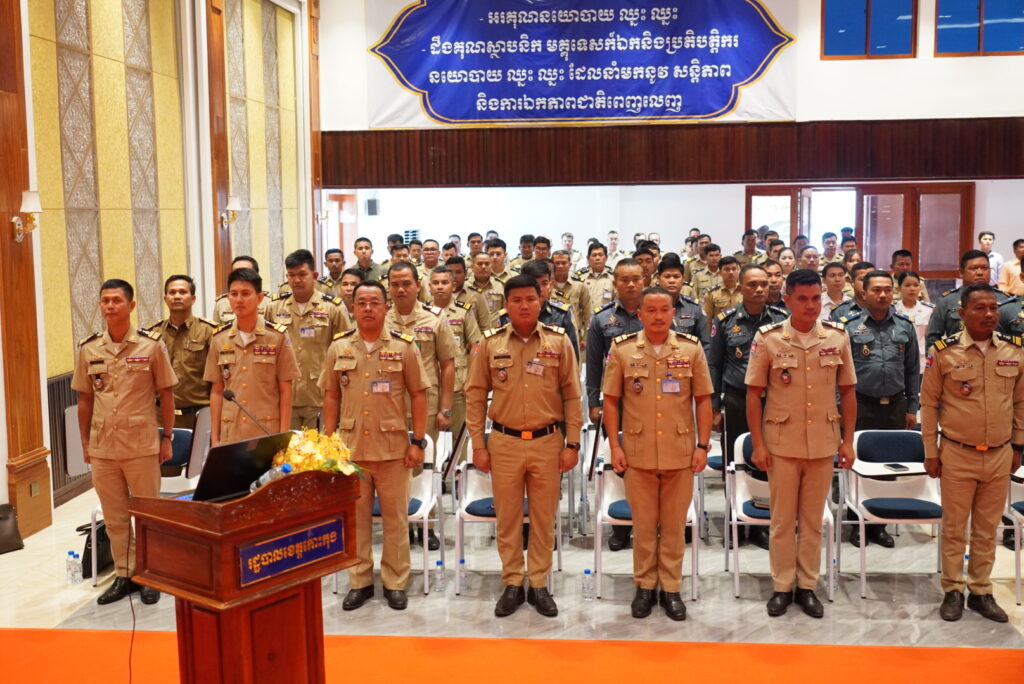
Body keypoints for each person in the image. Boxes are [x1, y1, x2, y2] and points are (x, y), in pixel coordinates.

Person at [465, 274, 582, 618]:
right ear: (506, 304)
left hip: (548, 442)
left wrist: (573, 443)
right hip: (504, 442)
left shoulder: (559, 342)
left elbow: (572, 395)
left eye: (530, 299)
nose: (524, 305)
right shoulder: (490, 343)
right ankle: (513, 581)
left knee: (544, 518)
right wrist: (478, 444)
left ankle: (540, 582)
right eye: (516, 300)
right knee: (508, 518)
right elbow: (475, 395)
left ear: (540, 300)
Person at [745, 269, 857, 619]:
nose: (811, 306)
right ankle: (782, 585)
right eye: (803, 299)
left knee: (812, 521)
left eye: (815, 298)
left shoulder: (837, 337)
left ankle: (807, 586)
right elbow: (753, 394)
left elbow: (848, 392)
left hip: (823, 443)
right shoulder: (769, 339)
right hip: (782, 444)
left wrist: (848, 441)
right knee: (781, 521)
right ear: (787, 300)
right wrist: (758, 445)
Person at [602, 287, 712, 621]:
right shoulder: (622, 349)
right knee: (645, 527)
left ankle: (672, 588)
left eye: (665, 309)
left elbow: (703, 399)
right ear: (640, 314)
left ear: (674, 312)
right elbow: (611, 401)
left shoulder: (690, 349)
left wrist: (703, 446)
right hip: (638, 453)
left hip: (680, 452)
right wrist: (615, 446)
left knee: (675, 528)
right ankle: (645, 587)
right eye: (651, 310)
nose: (659, 316)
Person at [320, 280, 429, 612]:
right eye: (361, 303)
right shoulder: (339, 347)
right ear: (352, 308)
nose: (368, 308)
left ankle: (395, 582)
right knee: (355, 521)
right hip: (351, 451)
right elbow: (331, 396)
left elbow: (419, 394)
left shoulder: (404, 346)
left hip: (393, 450)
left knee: (396, 521)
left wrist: (418, 441)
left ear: (386, 307)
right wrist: (329, 442)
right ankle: (360, 582)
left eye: (374, 302)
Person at [921, 282, 1024, 622]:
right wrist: (930, 451)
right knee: (954, 528)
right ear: (962, 313)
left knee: (987, 529)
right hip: (957, 453)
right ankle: (953, 589)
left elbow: (1021, 402)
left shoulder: (1014, 351)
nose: (989, 314)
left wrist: (1018, 445)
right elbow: (929, 403)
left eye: (993, 308)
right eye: (980, 308)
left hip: (999, 453)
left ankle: (981, 591)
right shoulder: (944, 352)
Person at [72, 279, 177, 605]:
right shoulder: (89, 349)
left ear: (131, 305)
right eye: (105, 300)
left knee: (148, 514)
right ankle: (124, 574)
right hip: (104, 447)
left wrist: (168, 437)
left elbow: (166, 394)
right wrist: (85, 443)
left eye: (116, 300)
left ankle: (150, 574)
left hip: (141, 445)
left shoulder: (151, 346)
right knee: (115, 516)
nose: (109, 306)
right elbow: (85, 399)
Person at [707, 264, 787, 549]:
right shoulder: (726, 321)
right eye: (752, 284)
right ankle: (735, 520)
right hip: (737, 400)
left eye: (764, 284)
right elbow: (714, 365)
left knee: (768, 464)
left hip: (773, 402)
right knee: (735, 462)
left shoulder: (782, 319)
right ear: (740, 288)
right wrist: (714, 406)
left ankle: (761, 524)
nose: (760, 289)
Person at [840, 270, 921, 548]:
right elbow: (838, 371)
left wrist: (912, 406)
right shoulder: (849, 326)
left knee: (888, 466)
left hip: (895, 406)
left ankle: (879, 524)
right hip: (860, 404)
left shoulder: (904, 326)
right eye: (877, 290)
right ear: (864, 293)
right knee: (857, 466)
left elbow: (912, 370)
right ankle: (856, 523)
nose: (883, 295)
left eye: (887, 289)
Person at [587, 259, 646, 551]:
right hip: (615, 402)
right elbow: (593, 364)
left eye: (636, 279)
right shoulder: (602, 319)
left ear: (644, 280)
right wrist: (593, 402)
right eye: (624, 279)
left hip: (651, 401)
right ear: (615, 283)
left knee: (651, 462)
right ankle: (622, 527)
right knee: (620, 462)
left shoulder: (656, 313)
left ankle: (651, 521)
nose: (631, 284)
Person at [204, 268, 300, 445]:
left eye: (245, 293)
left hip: (265, 431)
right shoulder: (219, 338)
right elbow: (217, 391)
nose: (239, 299)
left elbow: (285, 390)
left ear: (259, 298)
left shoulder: (276, 336)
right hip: (231, 433)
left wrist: (283, 437)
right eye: (234, 294)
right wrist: (215, 438)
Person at [265, 250, 351, 430]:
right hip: (285, 395)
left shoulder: (332, 308)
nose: (296, 280)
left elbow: (345, 353)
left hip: (320, 396)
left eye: (302, 274)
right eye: (291, 275)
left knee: (320, 447)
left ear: (315, 276)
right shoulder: (274, 308)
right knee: (286, 446)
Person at [385, 262, 456, 456]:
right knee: (392, 463)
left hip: (426, 406)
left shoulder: (435, 318)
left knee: (423, 463)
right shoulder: (382, 319)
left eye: (406, 284)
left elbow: (448, 365)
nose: (400, 289)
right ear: (388, 287)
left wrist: (445, 409)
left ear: (418, 285)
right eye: (395, 284)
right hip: (389, 407)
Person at [145, 275, 214, 439]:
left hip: (198, 416)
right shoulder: (152, 333)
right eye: (172, 292)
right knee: (165, 456)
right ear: (165, 299)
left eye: (183, 292)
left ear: (193, 298)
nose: (177, 296)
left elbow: (218, 379)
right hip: (161, 415)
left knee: (200, 457)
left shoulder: (209, 331)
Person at [428, 265, 482, 467]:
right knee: (428, 438)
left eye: (444, 282)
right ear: (429, 286)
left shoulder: (464, 312)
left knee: (461, 437)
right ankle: (430, 478)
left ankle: (460, 476)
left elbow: (476, 346)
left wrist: (471, 379)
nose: (440, 287)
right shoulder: (423, 313)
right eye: (435, 283)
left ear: (453, 285)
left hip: (458, 385)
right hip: (431, 385)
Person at [926, 249, 1011, 349]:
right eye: (973, 268)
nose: (980, 272)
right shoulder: (947, 301)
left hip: (997, 356)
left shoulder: (1005, 300)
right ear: (961, 272)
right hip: (958, 356)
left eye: (984, 268)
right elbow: (933, 337)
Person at [501, 259, 580, 357]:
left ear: (551, 285)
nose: (541, 289)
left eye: (545, 283)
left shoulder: (562, 314)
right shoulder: (507, 315)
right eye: (535, 284)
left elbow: (572, 354)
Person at [656, 254, 710, 347]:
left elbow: (705, 344)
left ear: (683, 279)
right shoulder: (648, 307)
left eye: (676, 276)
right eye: (667, 276)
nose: (672, 280)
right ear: (658, 279)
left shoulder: (694, 307)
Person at [895, 270, 934, 372]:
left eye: (916, 285)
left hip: (922, 359)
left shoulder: (928, 310)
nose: (912, 289)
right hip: (898, 358)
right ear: (899, 287)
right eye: (907, 285)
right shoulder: (893, 309)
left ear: (920, 287)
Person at [213, 255, 268, 324]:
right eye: (236, 272)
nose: (240, 276)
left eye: (245, 272)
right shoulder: (222, 303)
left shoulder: (269, 303)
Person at [552, 250, 591, 336]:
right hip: (551, 334)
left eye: (564, 263)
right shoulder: (546, 285)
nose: (560, 266)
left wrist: (586, 337)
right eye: (557, 263)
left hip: (574, 334)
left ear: (570, 265)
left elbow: (587, 314)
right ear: (552, 265)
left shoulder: (579, 285)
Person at [467, 252, 506, 328]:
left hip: (495, 331)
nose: (483, 267)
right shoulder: (464, 286)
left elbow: (505, 310)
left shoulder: (501, 285)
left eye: (487, 264)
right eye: (480, 264)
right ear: (472, 267)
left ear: (491, 266)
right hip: (471, 331)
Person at [702, 255, 742, 324]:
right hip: (721, 329)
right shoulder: (712, 293)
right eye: (727, 269)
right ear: (720, 273)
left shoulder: (745, 290)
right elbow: (708, 319)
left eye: (734, 269)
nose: (731, 272)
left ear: (738, 271)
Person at [578, 241, 615, 308]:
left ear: (606, 257)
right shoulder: (579, 277)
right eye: (594, 255)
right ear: (588, 258)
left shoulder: (613, 277)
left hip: (606, 315)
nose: (597, 258)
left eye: (600, 255)